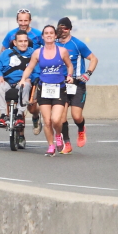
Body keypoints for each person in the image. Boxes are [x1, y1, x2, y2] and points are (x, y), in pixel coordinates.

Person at [19, 25, 74, 156]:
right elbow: (29, 68)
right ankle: (51, 145)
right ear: (42, 36)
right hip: (44, 89)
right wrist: (23, 79)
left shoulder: (62, 51)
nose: (49, 35)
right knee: (47, 120)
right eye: (46, 33)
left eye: (51, 33)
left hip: (59, 88)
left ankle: (59, 135)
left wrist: (70, 76)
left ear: (55, 36)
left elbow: (69, 65)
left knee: (56, 120)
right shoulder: (37, 52)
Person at [56, 17, 98, 148]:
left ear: (70, 29)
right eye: (60, 28)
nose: (62, 31)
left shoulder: (77, 44)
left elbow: (94, 59)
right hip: (61, 84)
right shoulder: (54, 44)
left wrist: (88, 73)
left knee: (76, 116)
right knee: (61, 117)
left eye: (65, 29)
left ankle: (81, 128)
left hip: (77, 84)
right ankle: (67, 143)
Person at [0, 29, 38, 129]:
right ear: (15, 42)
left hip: (24, 81)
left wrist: (31, 78)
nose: (23, 43)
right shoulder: (6, 53)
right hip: (7, 81)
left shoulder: (33, 53)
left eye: (25, 41)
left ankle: (20, 115)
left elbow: (37, 71)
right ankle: (4, 115)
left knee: (25, 85)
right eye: (20, 41)